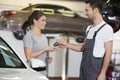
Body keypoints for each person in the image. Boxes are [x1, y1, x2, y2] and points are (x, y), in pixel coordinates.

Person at [58, 0, 113, 80]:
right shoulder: (89, 28)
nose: (85, 13)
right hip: (84, 67)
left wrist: (102, 73)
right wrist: (66, 45)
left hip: (95, 71)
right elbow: (83, 47)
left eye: (87, 10)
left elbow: (109, 52)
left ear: (96, 10)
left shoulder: (106, 29)